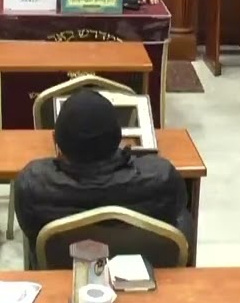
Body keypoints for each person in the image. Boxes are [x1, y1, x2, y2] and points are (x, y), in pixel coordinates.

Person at [13, 89, 190, 251]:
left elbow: (30, 231)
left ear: (57, 143)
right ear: (119, 138)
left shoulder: (32, 186)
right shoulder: (163, 180)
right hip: (143, 272)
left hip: (65, 273)